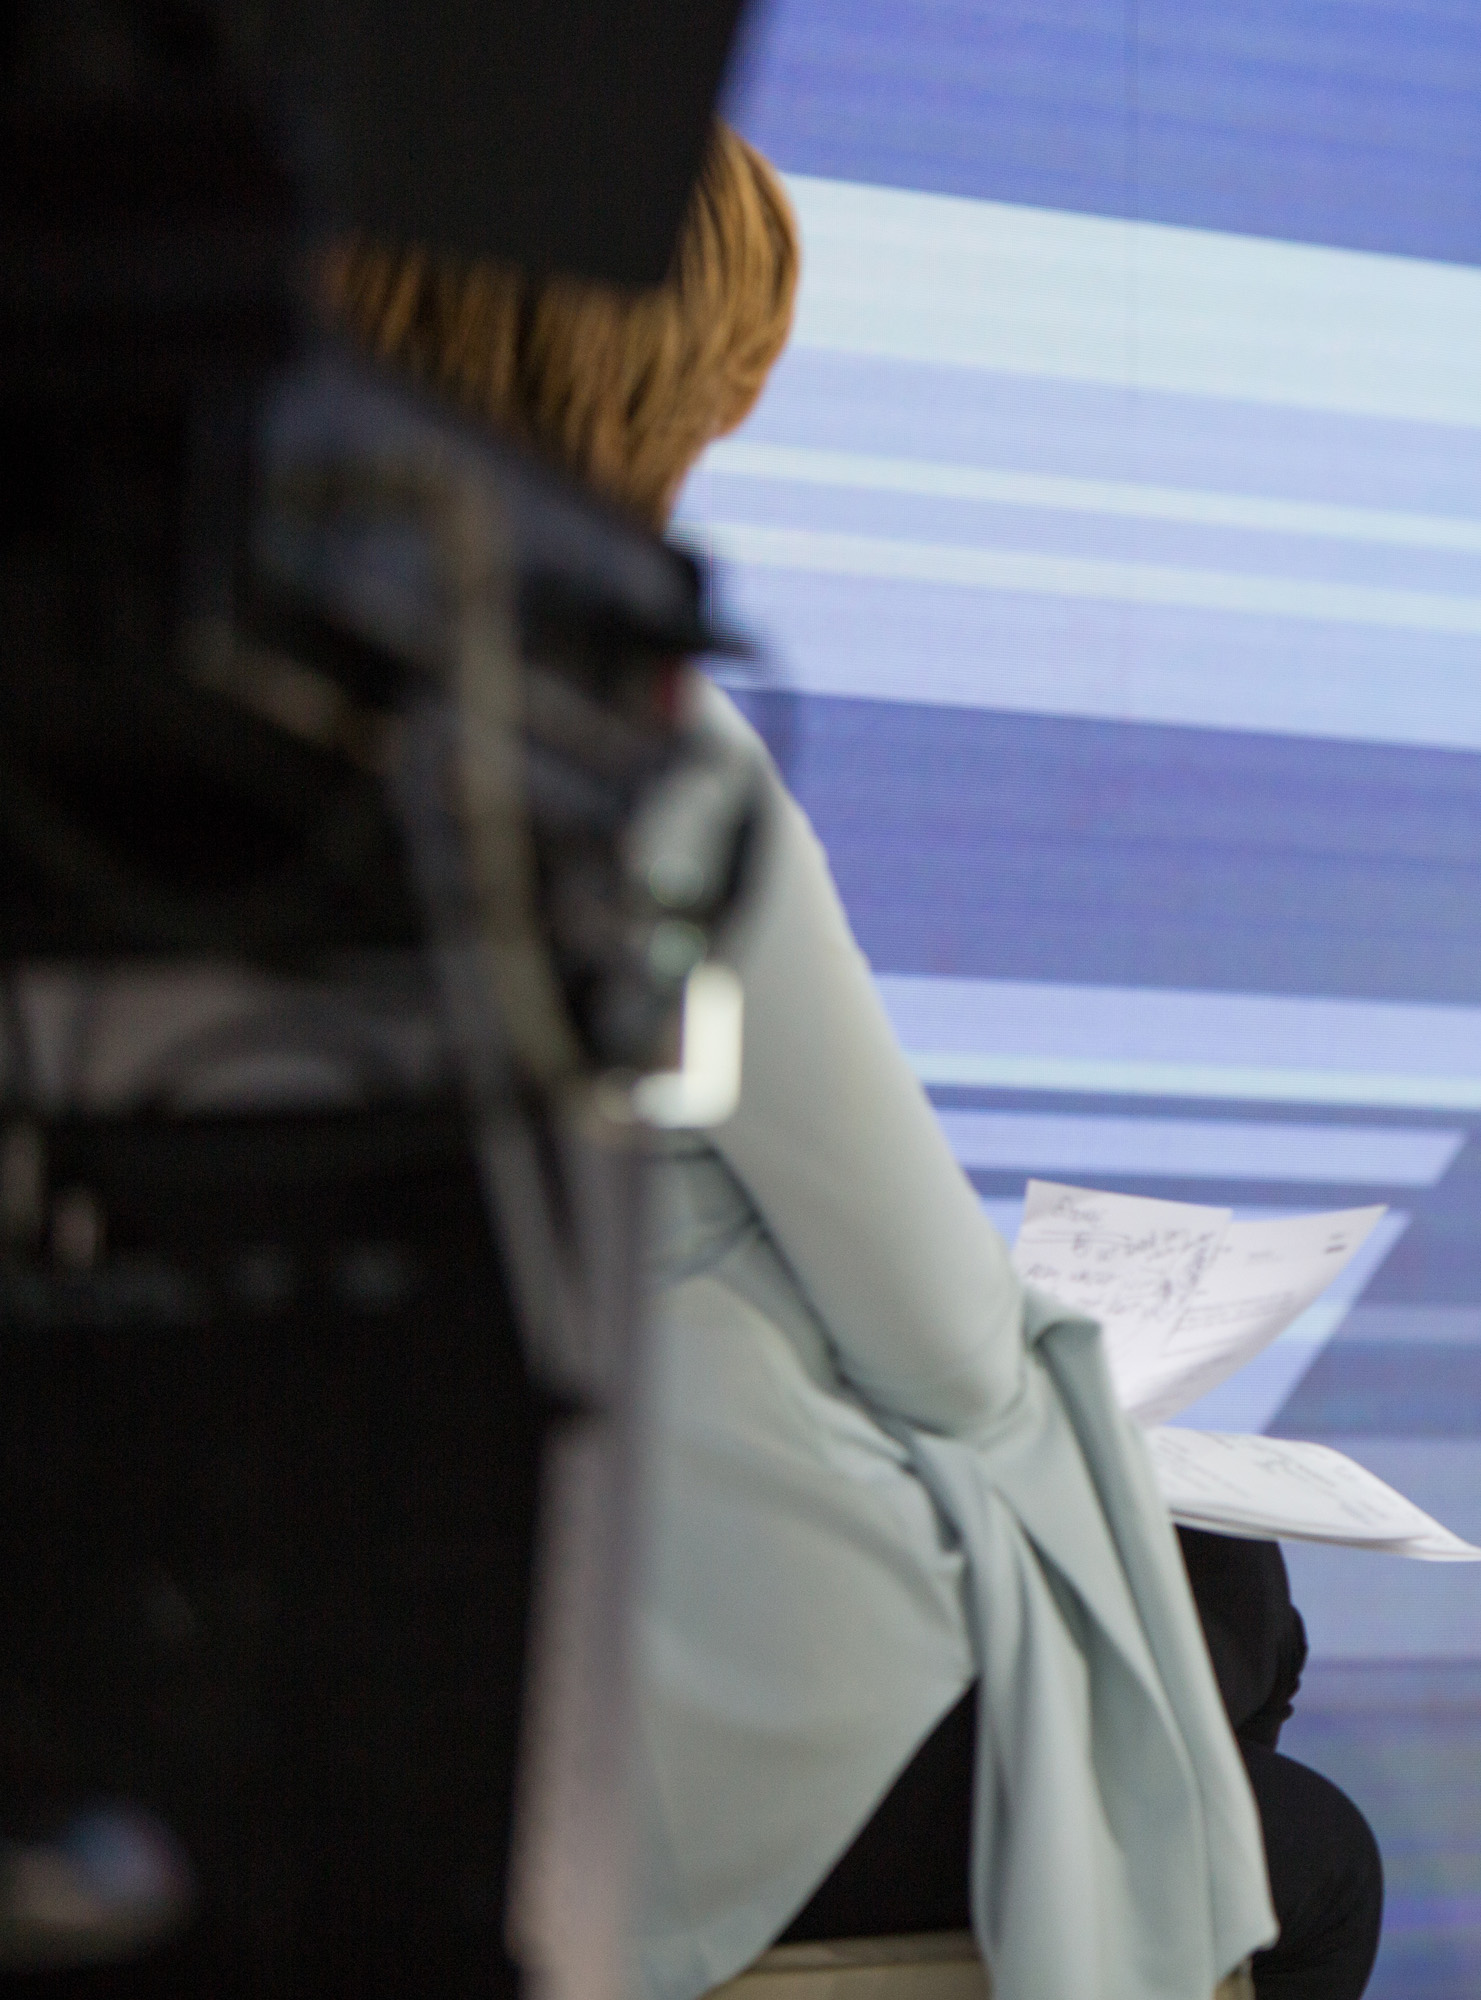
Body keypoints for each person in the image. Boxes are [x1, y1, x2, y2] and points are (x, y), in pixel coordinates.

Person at [322, 126, 1376, 2000]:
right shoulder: (632, 747)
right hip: (640, 1705)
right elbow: (945, 1340)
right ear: (641, 374)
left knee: (1222, 1634)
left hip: (323, 1653)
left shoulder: (190, 740)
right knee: (1285, 1795)